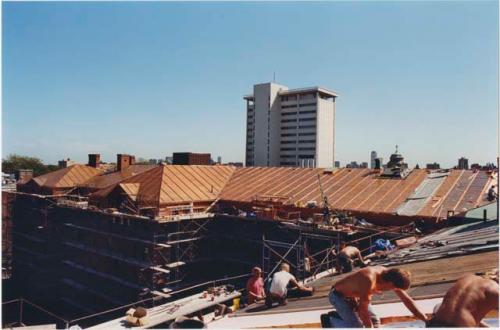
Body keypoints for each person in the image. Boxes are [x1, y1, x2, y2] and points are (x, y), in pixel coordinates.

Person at [329, 266, 427, 328]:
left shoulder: (390, 275)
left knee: (375, 321)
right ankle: (331, 319)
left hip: (357, 295)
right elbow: (363, 311)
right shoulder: (369, 280)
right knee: (357, 326)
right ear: (390, 283)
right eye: (394, 288)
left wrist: (426, 319)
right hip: (338, 296)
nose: (392, 290)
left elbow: (406, 300)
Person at [426, 274, 499, 327]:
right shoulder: (495, 290)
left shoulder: (467, 277)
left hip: (436, 323)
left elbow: (459, 312)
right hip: (462, 325)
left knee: (439, 306)